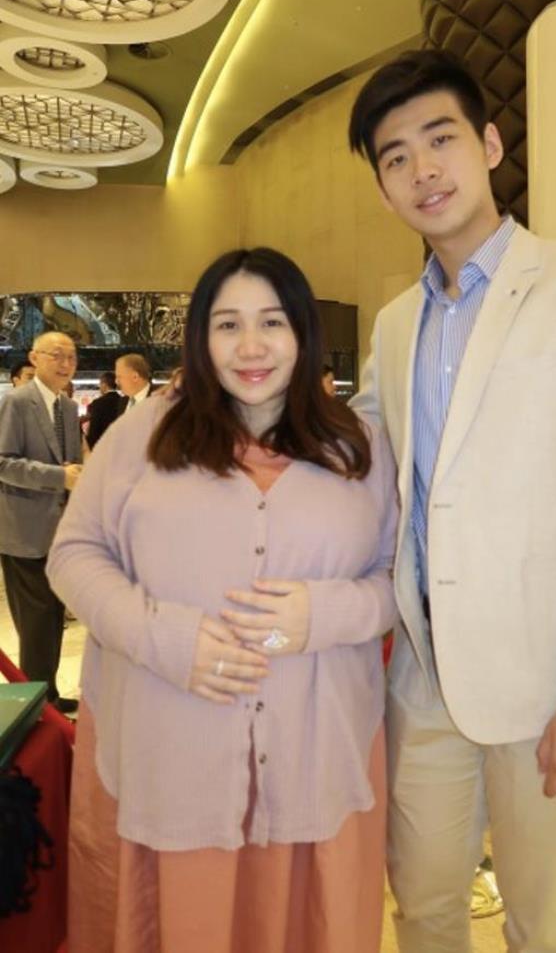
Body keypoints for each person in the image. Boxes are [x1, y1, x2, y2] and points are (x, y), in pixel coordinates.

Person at [347, 48, 556, 953]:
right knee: (423, 910)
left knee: (544, 923)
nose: (423, 169)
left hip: (549, 690)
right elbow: (360, 458)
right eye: (396, 156)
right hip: (423, 680)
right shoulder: (395, 324)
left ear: (489, 145)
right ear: (383, 190)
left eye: (441, 139)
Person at [47, 248, 397, 953]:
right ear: (200, 339)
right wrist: (161, 636)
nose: (251, 346)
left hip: (315, 760)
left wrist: (323, 615)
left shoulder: (359, 446)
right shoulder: (143, 435)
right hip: (171, 754)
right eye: (228, 324)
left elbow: (400, 577)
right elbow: (73, 554)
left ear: (303, 332)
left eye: (272, 321)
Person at [0, 331, 82, 714]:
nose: (66, 364)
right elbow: (3, 463)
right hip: (24, 532)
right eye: (56, 355)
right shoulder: (16, 402)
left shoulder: (68, 407)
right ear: (34, 358)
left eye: (72, 357)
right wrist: (58, 477)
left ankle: (46, 693)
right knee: (34, 624)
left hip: (60, 533)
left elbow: (71, 466)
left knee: (52, 618)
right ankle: (36, 708)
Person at [85, 371, 122, 449]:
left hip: (102, 446)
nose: (100, 387)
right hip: (119, 445)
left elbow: (94, 430)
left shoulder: (98, 403)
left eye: (100, 384)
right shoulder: (123, 401)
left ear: (104, 385)